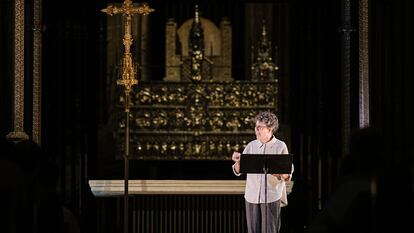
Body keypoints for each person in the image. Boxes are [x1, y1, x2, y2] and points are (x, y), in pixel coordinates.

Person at [232, 111, 293, 233]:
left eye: (260, 127)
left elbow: (288, 172)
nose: (256, 130)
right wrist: (238, 161)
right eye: (256, 127)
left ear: (270, 129)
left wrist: (281, 174)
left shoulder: (280, 146)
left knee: (270, 230)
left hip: (271, 195)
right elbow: (238, 171)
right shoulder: (251, 145)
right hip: (252, 195)